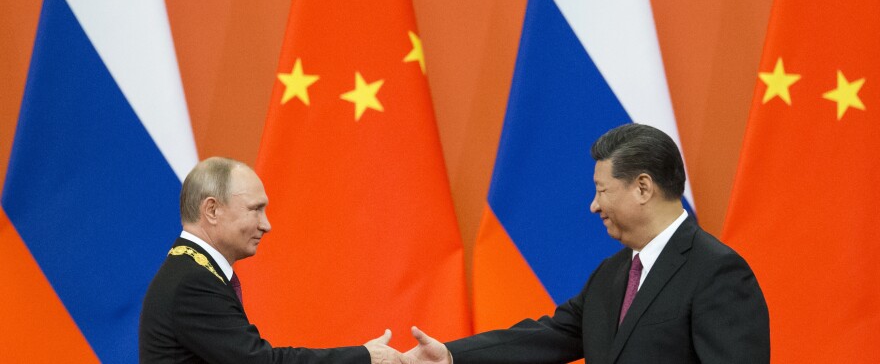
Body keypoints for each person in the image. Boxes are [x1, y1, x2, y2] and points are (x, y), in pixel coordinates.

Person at [404, 123, 770, 364]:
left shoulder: (716, 272)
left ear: (643, 188)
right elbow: (548, 336)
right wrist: (450, 355)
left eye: (601, 190)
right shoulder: (611, 275)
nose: (593, 205)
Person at [139, 157, 405, 364]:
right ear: (212, 210)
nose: (266, 225)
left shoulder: (191, 271)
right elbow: (260, 361)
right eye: (255, 209)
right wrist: (366, 357)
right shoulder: (193, 282)